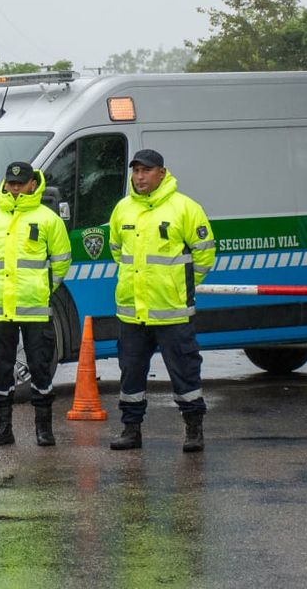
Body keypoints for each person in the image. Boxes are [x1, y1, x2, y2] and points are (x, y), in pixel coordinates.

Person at [108, 149, 216, 452]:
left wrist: (181, 287)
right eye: (136, 171)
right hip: (132, 313)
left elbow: (204, 255)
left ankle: (194, 430)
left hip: (172, 311)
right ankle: (131, 430)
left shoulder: (185, 208)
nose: (140, 177)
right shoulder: (122, 209)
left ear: (162, 172)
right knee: (131, 373)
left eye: (146, 171)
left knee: (185, 372)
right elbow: (117, 251)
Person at [0, 161, 71, 447]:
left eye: (20, 183)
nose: (14, 188)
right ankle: (2, 428)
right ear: (5, 183)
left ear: (32, 184)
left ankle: (44, 428)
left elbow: (62, 260)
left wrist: (43, 287)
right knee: (0, 367)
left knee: (40, 366)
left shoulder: (47, 219)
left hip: (35, 306)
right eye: (10, 183)